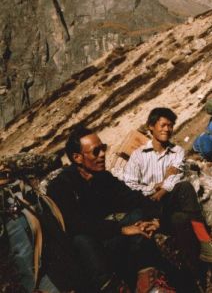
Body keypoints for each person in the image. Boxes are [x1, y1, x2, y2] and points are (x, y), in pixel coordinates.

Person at [47, 125, 174, 293]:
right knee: (82, 240)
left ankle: (149, 284)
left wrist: (154, 219)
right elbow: (76, 225)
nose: (102, 155)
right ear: (77, 158)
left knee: (137, 216)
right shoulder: (62, 186)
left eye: (103, 148)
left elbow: (134, 198)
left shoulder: (103, 178)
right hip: (88, 254)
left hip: (109, 239)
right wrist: (121, 229)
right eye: (95, 151)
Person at [123, 107, 212, 270]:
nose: (167, 129)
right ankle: (200, 260)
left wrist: (162, 189)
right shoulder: (138, 155)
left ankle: (203, 250)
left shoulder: (177, 152)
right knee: (180, 206)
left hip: (168, 203)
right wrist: (153, 187)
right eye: (162, 125)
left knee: (182, 201)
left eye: (170, 126)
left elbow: (175, 178)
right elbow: (130, 184)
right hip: (148, 205)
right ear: (151, 127)